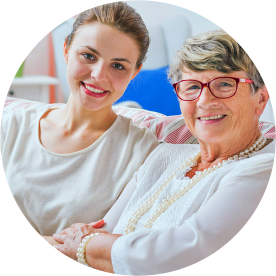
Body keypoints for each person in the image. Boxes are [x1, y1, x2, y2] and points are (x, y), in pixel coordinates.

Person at [47, 29, 275, 275]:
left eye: (224, 84)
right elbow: (104, 229)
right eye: (191, 87)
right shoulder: (163, 155)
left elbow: (183, 251)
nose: (204, 101)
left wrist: (85, 244)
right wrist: (81, 242)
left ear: (260, 99)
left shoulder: (261, 170)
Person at [0, 2, 160, 236]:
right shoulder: (11, 124)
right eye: (88, 56)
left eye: (118, 66)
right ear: (66, 50)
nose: (98, 75)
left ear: (135, 72)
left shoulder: (142, 151)